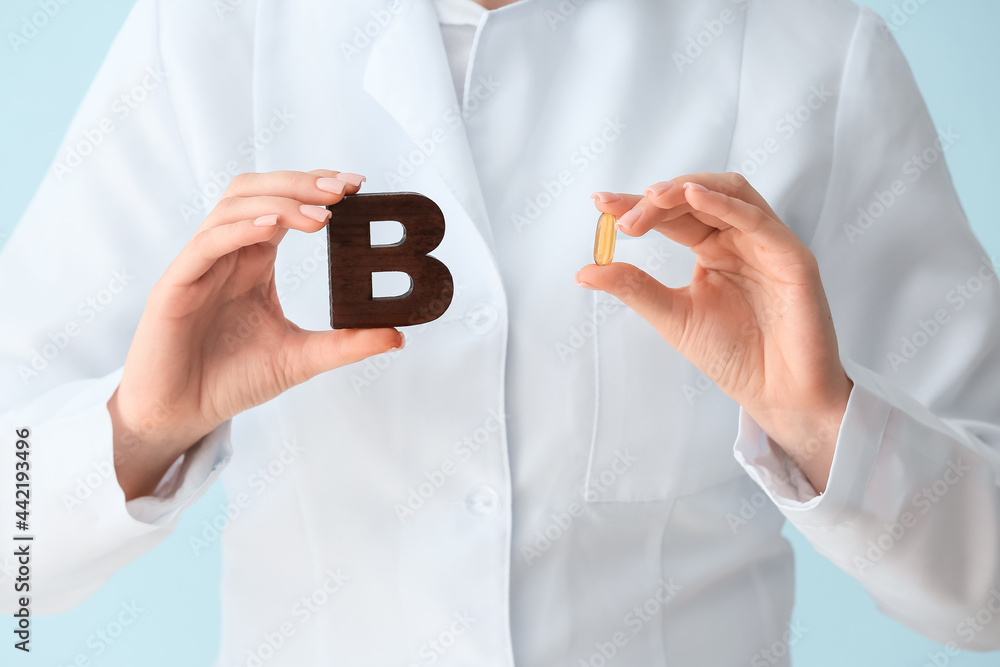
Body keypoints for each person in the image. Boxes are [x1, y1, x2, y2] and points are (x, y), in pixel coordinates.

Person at [3, 0, 999, 664]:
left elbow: (987, 594)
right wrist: (138, 428)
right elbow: (14, 557)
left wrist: (827, 428)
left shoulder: (806, 42)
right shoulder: (207, 35)